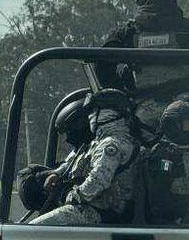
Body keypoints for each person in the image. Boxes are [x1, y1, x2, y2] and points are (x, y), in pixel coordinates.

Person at [94, 0, 189, 142]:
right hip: (188, 102)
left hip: (144, 105)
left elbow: (102, 63)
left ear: (139, 1)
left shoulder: (126, 33)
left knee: (139, 145)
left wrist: (121, 91)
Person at [30, 89, 140, 225]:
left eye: (93, 111)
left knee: (34, 230)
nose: (90, 117)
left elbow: (98, 180)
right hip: (96, 208)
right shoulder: (103, 142)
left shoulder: (111, 145)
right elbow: (79, 160)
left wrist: (73, 196)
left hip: (99, 212)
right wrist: (57, 173)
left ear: (107, 113)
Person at [17, 98, 92, 212]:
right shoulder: (81, 150)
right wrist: (56, 173)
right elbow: (69, 164)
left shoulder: (101, 148)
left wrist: (66, 195)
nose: (68, 139)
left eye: (70, 132)